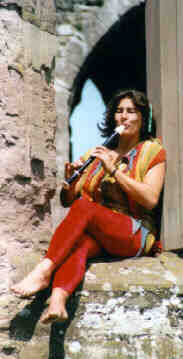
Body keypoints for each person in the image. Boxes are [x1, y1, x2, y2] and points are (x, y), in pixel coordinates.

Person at [11, 89, 166, 324]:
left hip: (134, 232)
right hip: (103, 232)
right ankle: (58, 301)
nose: (123, 117)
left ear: (143, 118)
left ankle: (43, 271)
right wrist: (70, 182)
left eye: (131, 112)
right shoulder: (100, 152)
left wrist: (112, 169)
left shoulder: (152, 151)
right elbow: (69, 202)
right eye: (119, 111)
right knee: (79, 245)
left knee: (85, 208)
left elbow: (150, 199)